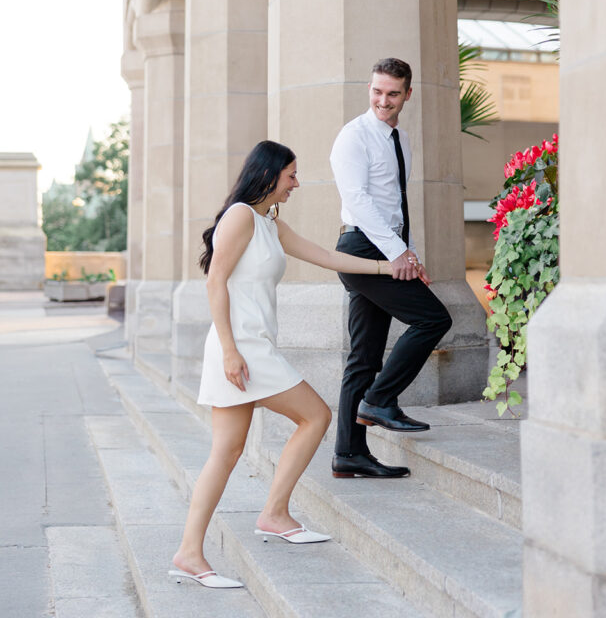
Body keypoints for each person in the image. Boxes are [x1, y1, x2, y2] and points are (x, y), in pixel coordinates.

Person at [169, 140, 406, 589]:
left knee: (228, 452)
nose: (296, 183)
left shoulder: (268, 222)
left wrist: (387, 268)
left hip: (252, 346)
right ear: (270, 173)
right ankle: (264, 518)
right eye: (292, 175)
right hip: (240, 349)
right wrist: (230, 350)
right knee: (314, 416)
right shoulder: (241, 215)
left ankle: (200, 546)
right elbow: (214, 281)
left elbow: (326, 256)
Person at [329, 58, 453, 479]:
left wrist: (410, 256)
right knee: (434, 318)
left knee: (362, 358)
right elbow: (359, 202)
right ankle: (379, 400)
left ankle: (348, 453)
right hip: (362, 248)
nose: (384, 101)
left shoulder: (400, 139)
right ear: (369, 88)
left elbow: (397, 207)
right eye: (377, 91)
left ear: (407, 95)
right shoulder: (353, 136)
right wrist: (396, 255)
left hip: (387, 247)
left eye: (393, 93)